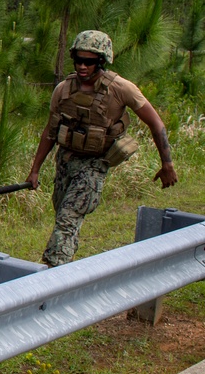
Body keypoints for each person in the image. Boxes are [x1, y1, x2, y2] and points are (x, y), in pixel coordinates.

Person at [26, 30, 177, 266]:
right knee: (64, 219)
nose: (82, 66)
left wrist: (167, 163)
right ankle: (65, 269)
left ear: (101, 62)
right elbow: (50, 132)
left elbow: (156, 124)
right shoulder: (63, 90)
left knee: (68, 218)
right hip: (65, 162)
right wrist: (35, 169)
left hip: (94, 166)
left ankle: (52, 272)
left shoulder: (121, 88)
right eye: (78, 60)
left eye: (89, 62)